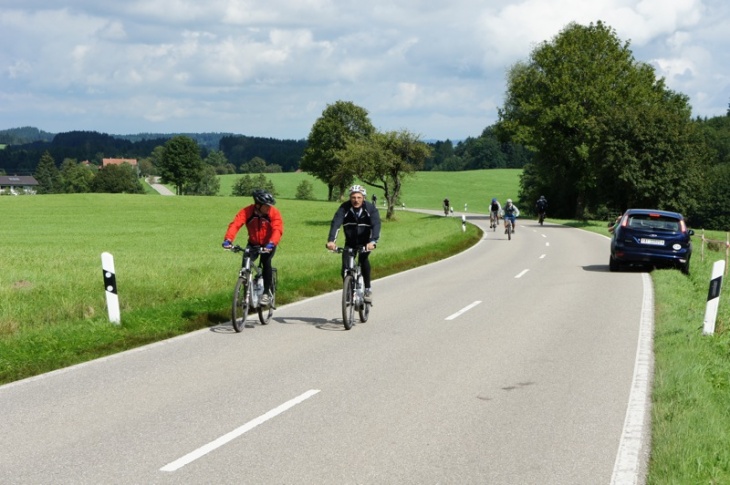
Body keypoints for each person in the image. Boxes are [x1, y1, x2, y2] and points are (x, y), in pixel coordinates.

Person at [222, 189, 283, 306]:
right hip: (253, 243)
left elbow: (278, 229)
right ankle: (246, 296)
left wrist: (271, 243)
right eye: (266, 206)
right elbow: (235, 224)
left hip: (268, 244)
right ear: (258, 205)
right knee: (245, 265)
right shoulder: (247, 211)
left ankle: (265, 293)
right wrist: (228, 240)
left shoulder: (273, 213)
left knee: (266, 262)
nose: (269, 208)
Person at [327, 185, 381, 303]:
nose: (356, 200)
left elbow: (376, 225)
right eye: (353, 197)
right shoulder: (344, 208)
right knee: (345, 268)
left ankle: (367, 289)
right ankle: (349, 290)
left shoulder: (370, 209)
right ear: (350, 198)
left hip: (365, 242)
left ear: (363, 198)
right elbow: (336, 224)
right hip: (350, 242)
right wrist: (331, 241)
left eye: (359, 197)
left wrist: (373, 241)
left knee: (363, 260)